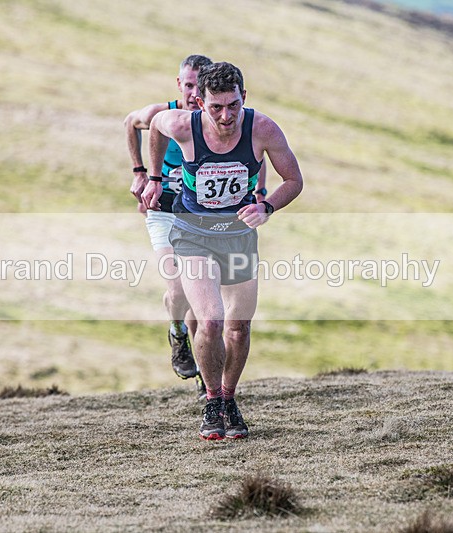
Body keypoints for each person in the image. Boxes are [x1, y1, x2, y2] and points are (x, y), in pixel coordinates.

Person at [142, 62, 303, 440]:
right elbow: (153, 126)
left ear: (243, 97)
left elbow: (294, 180)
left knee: (238, 327)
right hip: (193, 234)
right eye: (216, 108)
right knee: (211, 320)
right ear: (200, 103)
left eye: (233, 106)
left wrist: (267, 207)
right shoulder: (182, 125)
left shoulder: (263, 129)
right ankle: (212, 401)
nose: (226, 116)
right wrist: (152, 177)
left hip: (238, 236)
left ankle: (229, 398)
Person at [124, 55, 216, 390]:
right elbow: (129, 123)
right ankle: (177, 332)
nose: (193, 93)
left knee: (202, 299)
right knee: (178, 290)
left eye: (199, 86)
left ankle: (207, 382)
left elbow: (254, 153)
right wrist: (140, 173)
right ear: (179, 84)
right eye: (188, 85)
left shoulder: (217, 119)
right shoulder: (158, 115)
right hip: (163, 211)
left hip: (198, 216)